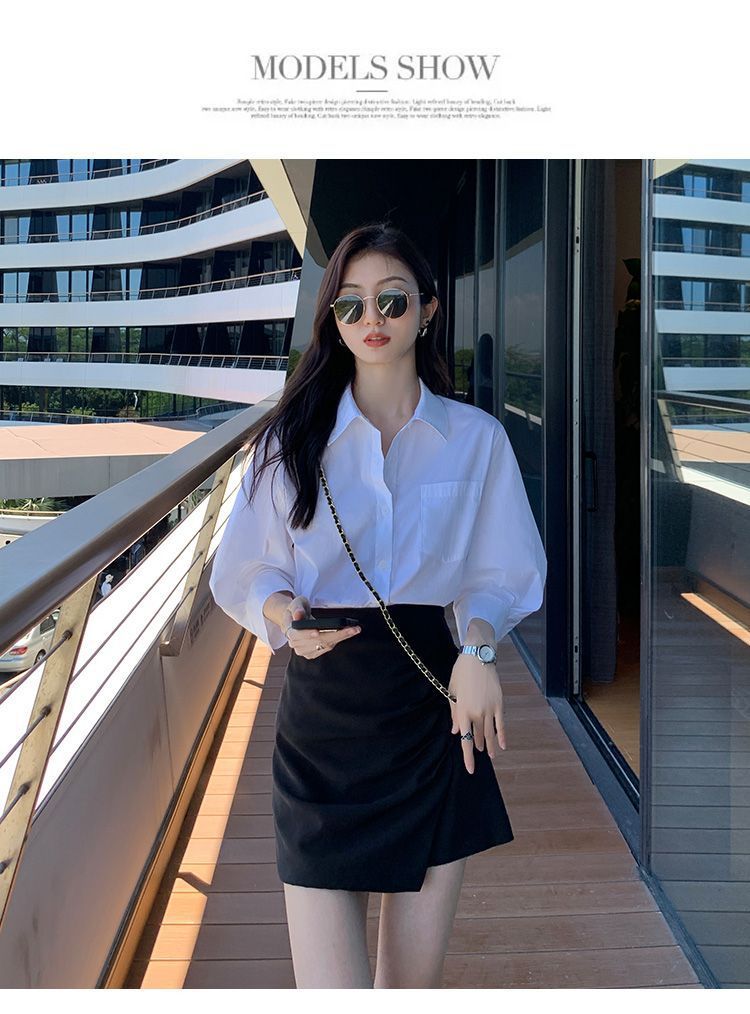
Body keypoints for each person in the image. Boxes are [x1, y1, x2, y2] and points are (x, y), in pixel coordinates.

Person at [209, 222, 547, 988]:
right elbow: (247, 570)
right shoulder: (292, 439)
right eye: (351, 304)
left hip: (434, 715)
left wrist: (480, 648)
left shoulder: (476, 439)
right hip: (324, 725)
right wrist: (283, 615)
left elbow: (502, 570)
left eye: (392, 301)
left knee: (408, 990)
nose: (373, 319)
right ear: (332, 319)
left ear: (428, 310)